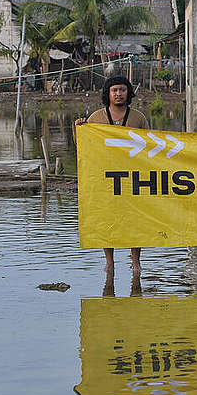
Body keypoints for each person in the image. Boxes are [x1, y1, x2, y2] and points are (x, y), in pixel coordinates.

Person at [76, 76, 149, 274]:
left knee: (135, 219)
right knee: (107, 218)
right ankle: (109, 261)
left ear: (128, 93)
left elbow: (150, 147)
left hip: (133, 177)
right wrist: (80, 129)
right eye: (114, 90)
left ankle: (135, 261)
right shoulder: (96, 118)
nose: (118, 94)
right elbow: (85, 148)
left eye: (122, 90)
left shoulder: (138, 118)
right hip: (105, 178)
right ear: (108, 94)